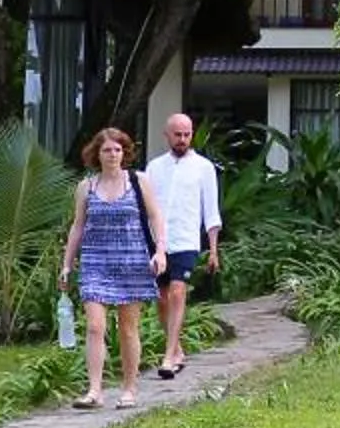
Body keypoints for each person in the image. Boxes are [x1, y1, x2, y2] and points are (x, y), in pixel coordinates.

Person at [59, 125, 167, 409]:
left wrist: (160, 251)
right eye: (107, 150)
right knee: (95, 327)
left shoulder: (138, 181)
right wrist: (66, 265)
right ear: (97, 153)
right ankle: (94, 391)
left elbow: (156, 217)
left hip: (132, 260)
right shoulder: (87, 187)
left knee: (128, 328)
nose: (113, 155)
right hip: (96, 262)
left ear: (125, 152)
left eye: (118, 149)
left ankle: (129, 388)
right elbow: (78, 226)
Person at [143, 111, 222, 380]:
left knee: (178, 291)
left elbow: (211, 211)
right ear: (167, 135)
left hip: (187, 239)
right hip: (158, 242)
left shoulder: (203, 167)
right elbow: (147, 208)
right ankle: (176, 349)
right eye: (177, 134)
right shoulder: (153, 168)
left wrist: (213, 249)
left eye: (187, 134)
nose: (182, 139)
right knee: (162, 299)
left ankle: (168, 357)